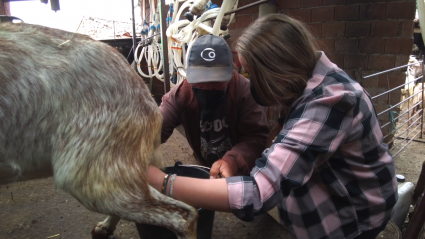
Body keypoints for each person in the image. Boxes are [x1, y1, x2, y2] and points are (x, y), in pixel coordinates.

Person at [148, 14, 398, 239]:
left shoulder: (332, 101)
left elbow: (259, 192)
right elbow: (282, 152)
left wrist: (162, 181)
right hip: (317, 200)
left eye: (252, 74)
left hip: (351, 219)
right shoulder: (303, 83)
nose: (251, 82)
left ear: (274, 70)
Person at [160, 34, 270, 178]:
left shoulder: (244, 92)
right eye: (200, 81)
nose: (207, 88)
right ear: (190, 76)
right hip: (205, 167)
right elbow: (155, 128)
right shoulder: (181, 96)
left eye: (216, 82)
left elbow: (256, 138)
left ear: (230, 75)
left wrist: (232, 162)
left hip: (242, 174)